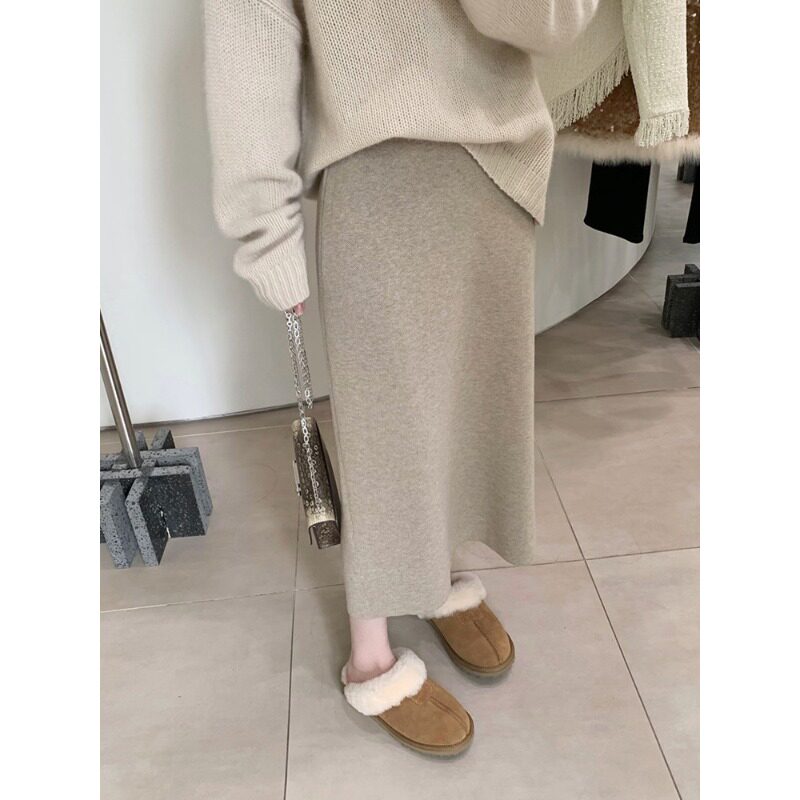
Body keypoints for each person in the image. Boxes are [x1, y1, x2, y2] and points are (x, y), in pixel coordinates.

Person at [204, 0, 600, 756]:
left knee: (469, 406)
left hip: (499, 165)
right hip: (375, 172)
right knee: (386, 427)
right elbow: (248, 44)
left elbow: (554, 24)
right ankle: (370, 655)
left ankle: (435, 576)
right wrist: (265, 232)